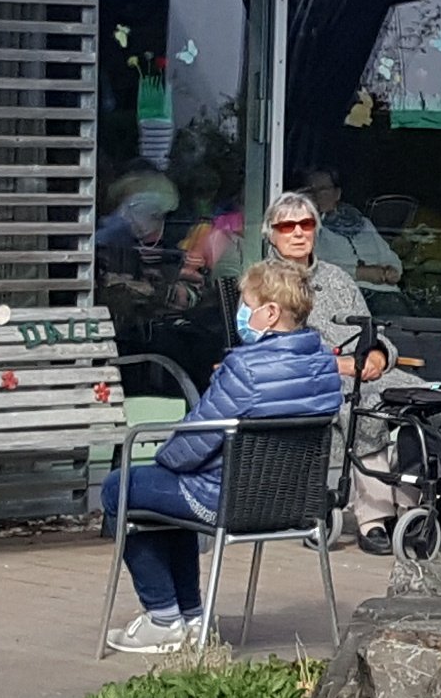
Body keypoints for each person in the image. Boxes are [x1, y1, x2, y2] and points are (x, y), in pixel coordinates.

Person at [106, 259, 343, 653]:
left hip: (226, 500)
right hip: (292, 505)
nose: (240, 314)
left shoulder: (245, 368)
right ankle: (192, 616)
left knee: (121, 487)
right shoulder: (324, 366)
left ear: (270, 313)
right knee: (167, 491)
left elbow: (194, 440)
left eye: (246, 304)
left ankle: (164, 617)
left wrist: (165, 459)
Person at [267, 189, 410, 549]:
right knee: (364, 406)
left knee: (419, 401)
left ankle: (412, 506)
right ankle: (374, 518)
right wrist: (338, 364)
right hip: (310, 379)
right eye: (288, 226)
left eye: (306, 224)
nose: (298, 233)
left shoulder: (336, 277)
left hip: (364, 370)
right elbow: (268, 350)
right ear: (271, 233)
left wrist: (379, 354)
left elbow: (370, 329)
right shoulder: (262, 283)